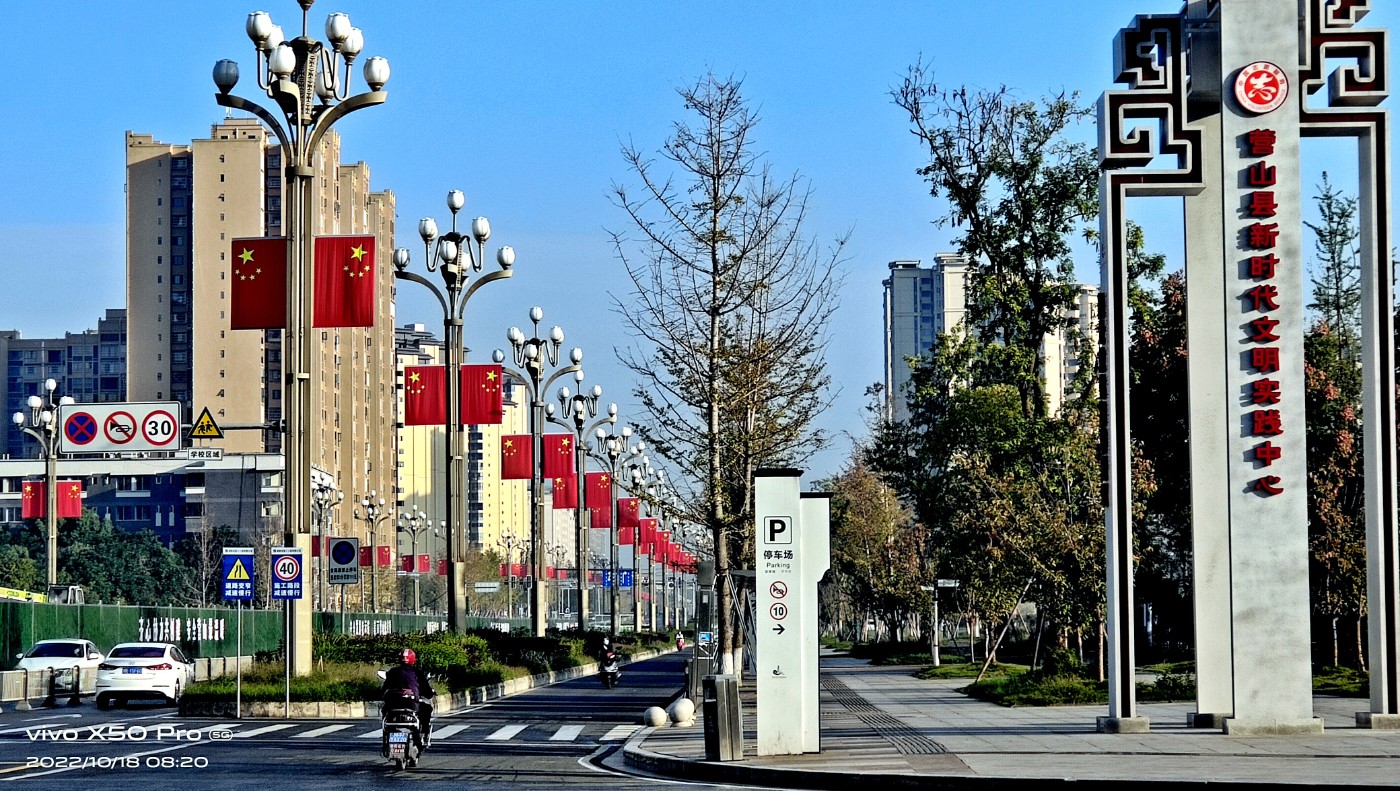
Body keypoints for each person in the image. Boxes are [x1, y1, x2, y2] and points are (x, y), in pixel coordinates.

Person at [382, 648, 434, 746]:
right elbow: (427, 692)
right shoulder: (417, 673)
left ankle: (386, 738)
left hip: (393, 706)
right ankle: (424, 735)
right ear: (413, 659)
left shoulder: (393, 672)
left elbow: (384, 689)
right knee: (427, 709)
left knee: (384, 712)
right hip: (412, 705)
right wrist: (430, 693)